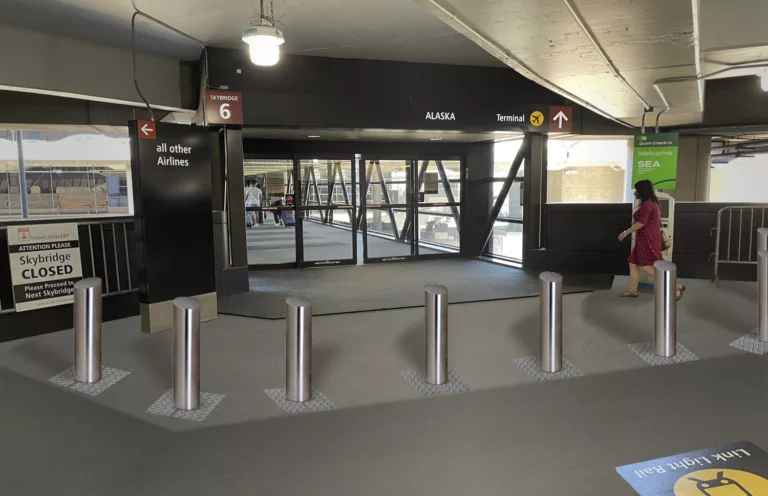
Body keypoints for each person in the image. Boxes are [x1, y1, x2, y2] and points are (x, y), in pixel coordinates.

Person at [618, 179, 686, 300]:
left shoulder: (648, 204)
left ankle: (676, 287)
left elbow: (641, 223)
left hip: (647, 239)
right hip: (643, 238)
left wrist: (625, 232)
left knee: (646, 266)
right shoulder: (650, 203)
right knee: (633, 263)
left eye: (637, 190)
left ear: (642, 191)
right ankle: (633, 291)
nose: (634, 193)